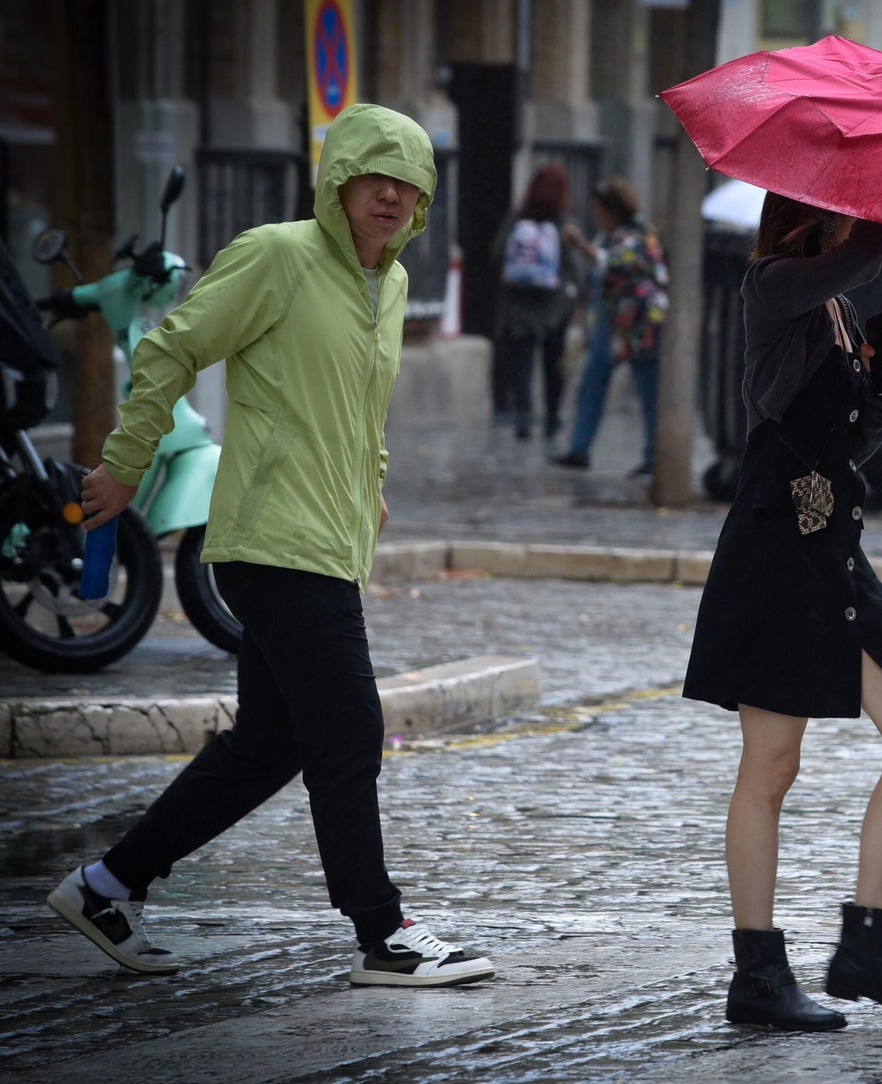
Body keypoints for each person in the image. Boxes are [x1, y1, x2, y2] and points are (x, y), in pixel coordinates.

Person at [50, 104, 496, 988]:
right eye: (375, 175)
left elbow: (360, 406)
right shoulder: (278, 255)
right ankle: (382, 931)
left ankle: (108, 885)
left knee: (269, 744)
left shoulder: (391, 285)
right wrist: (126, 464)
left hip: (330, 541)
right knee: (349, 730)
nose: (391, 194)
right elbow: (170, 347)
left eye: (409, 184)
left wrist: (371, 485)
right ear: (339, 180)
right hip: (270, 541)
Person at [682, 194, 882, 1031]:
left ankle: (866, 946)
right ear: (810, 213)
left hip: (832, 548)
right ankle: (758, 975)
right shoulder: (771, 285)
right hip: (774, 550)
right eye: (846, 205)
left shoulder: (832, 308)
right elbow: (855, 262)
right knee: (770, 765)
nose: (858, 218)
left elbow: (850, 445)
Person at [550, 178, 667, 476]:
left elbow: (613, 264)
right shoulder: (610, 236)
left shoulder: (637, 236)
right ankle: (580, 448)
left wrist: (579, 244)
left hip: (638, 325)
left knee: (648, 391)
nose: (594, 214)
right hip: (613, 323)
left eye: (598, 208)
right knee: (592, 382)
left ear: (611, 210)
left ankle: (655, 455)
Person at [491, 163, 584, 441]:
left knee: (521, 366)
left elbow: (497, 254)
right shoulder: (566, 224)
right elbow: (576, 269)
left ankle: (523, 419)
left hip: (518, 307)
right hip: (554, 308)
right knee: (554, 366)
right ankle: (552, 418)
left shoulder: (516, 219)